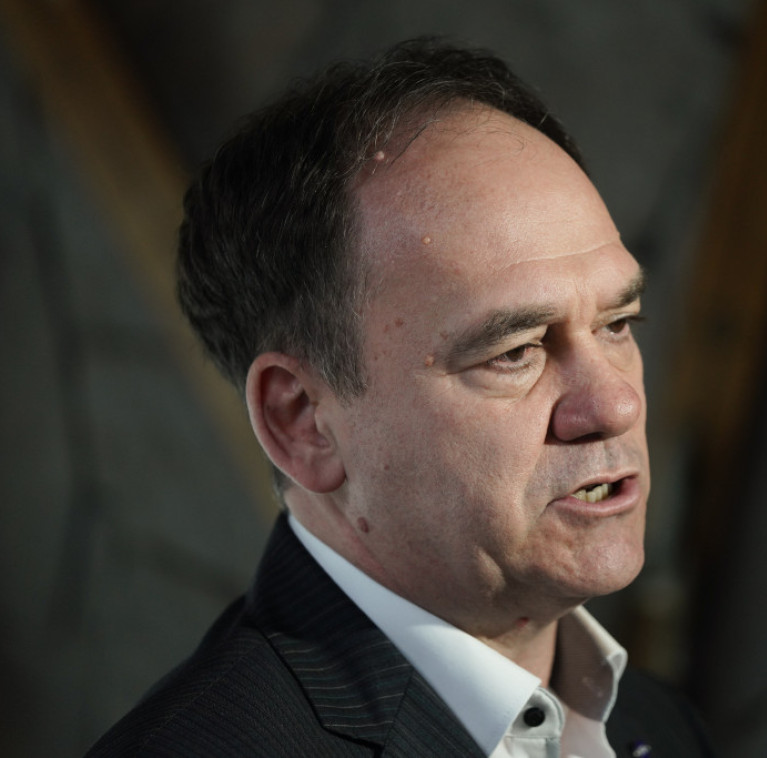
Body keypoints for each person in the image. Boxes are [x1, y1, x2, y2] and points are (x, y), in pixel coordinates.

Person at [86, 38, 714, 757]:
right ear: (303, 422)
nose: (614, 406)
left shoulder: (657, 726)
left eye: (617, 324)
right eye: (515, 351)